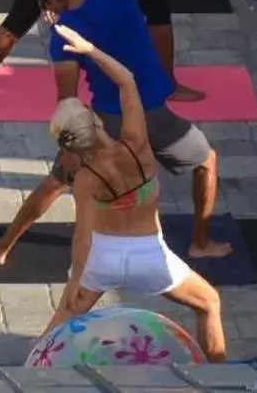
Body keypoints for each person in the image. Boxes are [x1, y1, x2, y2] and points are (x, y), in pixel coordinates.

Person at [0, 0, 233, 278]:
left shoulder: (65, 34)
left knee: (58, 180)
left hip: (109, 119)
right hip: (151, 112)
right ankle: (200, 242)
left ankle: (2, 247)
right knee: (207, 162)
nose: (47, 13)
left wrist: (70, 145)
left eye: (46, 5)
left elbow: (68, 99)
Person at [37, 25, 228, 361]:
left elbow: (82, 239)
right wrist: (90, 50)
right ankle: (221, 379)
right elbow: (127, 81)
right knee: (209, 304)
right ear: (94, 121)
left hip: (102, 260)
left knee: (56, 332)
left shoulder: (85, 176)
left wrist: (72, 289)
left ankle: (30, 379)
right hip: (149, 256)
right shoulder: (136, 145)